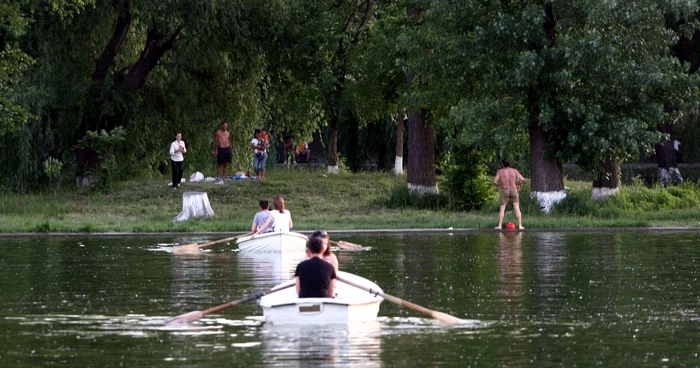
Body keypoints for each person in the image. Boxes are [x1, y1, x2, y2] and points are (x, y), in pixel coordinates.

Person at [493, 159, 526, 230]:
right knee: (517, 208)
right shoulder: (514, 171)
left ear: (502, 164)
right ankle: (520, 226)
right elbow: (523, 179)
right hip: (514, 190)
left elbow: (494, 181)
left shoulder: (500, 171)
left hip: (504, 190)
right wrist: (518, 184)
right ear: (509, 164)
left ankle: (499, 226)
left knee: (502, 208)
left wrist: (499, 185)